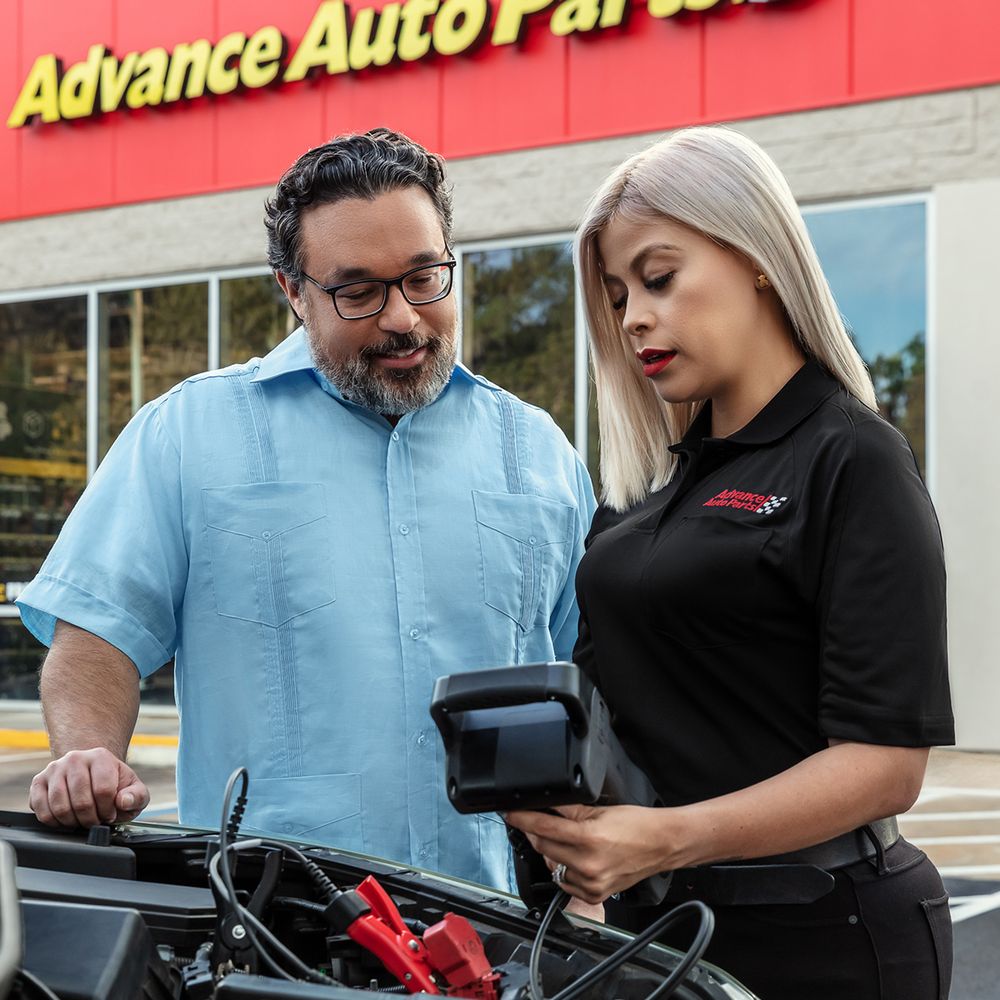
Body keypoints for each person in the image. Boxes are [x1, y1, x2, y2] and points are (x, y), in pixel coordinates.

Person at [18, 128, 596, 892]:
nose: (402, 317)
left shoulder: (539, 453)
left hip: (492, 920)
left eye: (425, 277)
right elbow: (98, 636)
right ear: (293, 292)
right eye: (358, 292)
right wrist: (88, 756)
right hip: (272, 923)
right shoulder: (187, 436)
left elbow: (593, 672)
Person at [506, 126, 954, 999]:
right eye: (617, 295)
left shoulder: (851, 456)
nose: (633, 316)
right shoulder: (642, 490)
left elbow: (886, 764)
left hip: (829, 936)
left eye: (659, 278)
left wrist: (665, 839)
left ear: (755, 257)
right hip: (660, 932)